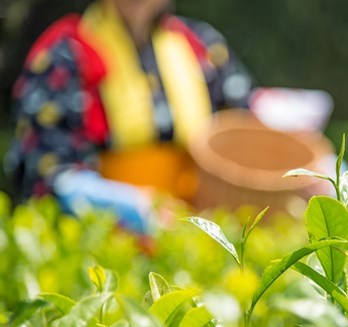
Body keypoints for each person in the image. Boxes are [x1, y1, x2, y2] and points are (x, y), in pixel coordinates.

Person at [3, 0, 255, 233]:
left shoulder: (203, 46)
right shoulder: (65, 57)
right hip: (103, 246)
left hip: (192, 244)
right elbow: (46, 175)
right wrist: (132, 207)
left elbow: (250, 138)